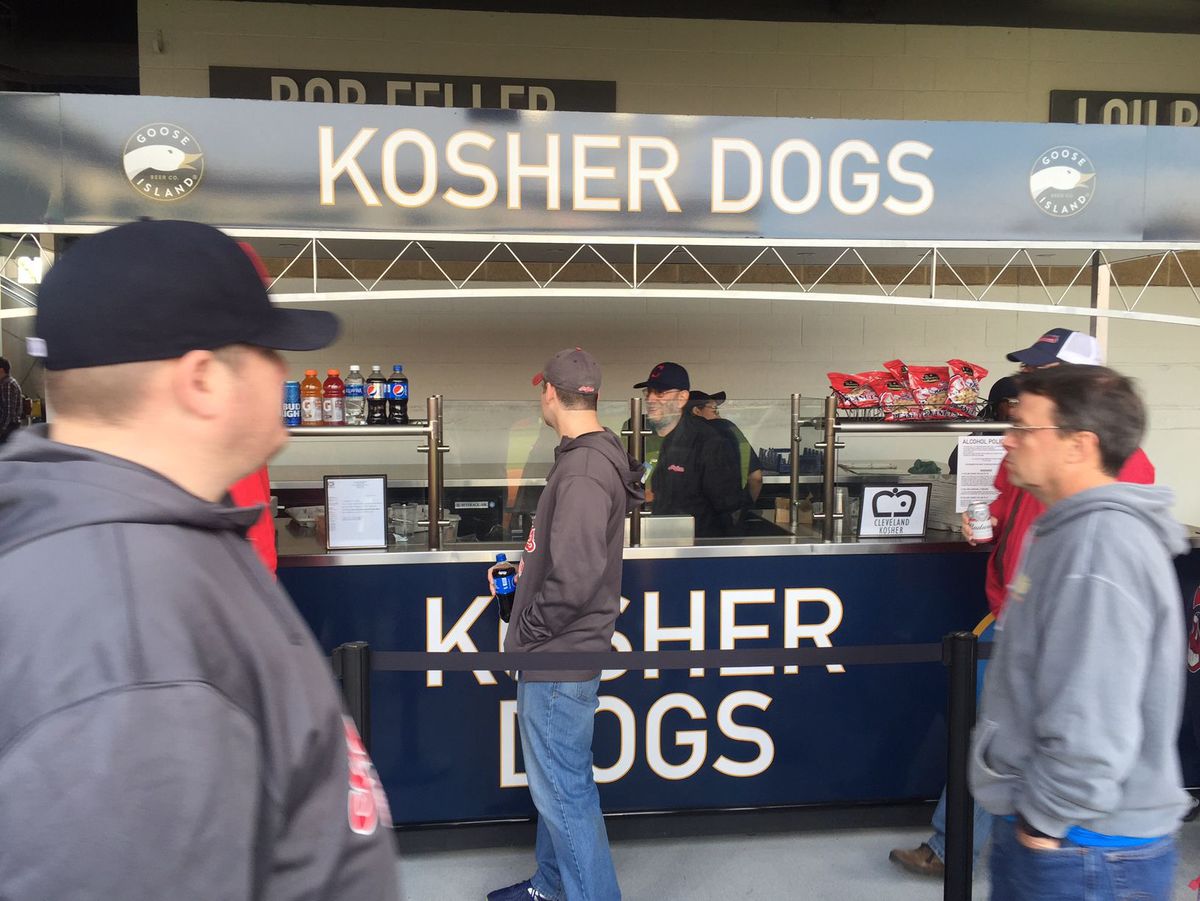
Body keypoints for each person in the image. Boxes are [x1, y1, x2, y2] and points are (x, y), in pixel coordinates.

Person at [0, 220, 399, 900]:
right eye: (270, 349)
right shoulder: (131, 643)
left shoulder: (171, 539)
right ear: (204, 379)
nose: (288, 372)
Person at [891, 330, 1155, 878]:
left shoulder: (1122, 467)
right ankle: (963, 845)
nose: (1025, 383)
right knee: (992, 734)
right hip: (1009, 613)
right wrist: (980, 529)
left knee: (1009, 732)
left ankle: (987, 844)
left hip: (1045, 624)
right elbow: (1004, 514)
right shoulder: (1027, 447)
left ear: (1088, 384)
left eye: (1043, 372)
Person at [970, 365, 1191, 901]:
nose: (1009, 440)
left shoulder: (1097, 547)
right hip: (1074, 837)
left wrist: (1042, 826)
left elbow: (1092, 719)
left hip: (1084, 848)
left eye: (1025, 428)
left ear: (1078, 445)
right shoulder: (1069, 531)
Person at [487, 347, 643, 901]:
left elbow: (574, 580)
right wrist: (525, 576)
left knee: (566, 793)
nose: (540, 398)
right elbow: (567, 561)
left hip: (557, 656)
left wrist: (525, 632)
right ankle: (552, 886)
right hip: (567, 651)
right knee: (558, 787)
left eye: (540, 390)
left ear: (551, 392)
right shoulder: (593, 456)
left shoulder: (580, 469)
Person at [633, 362, 745, 538]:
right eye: (648, 392)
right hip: (665, 542)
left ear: (682, 398)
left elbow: (727, 507)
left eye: (660, 393)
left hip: (698, 549)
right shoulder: (668, 439)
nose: (650, 399)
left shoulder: (710, 441)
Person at [688, 389, 764, 503]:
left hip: (688, 510)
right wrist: (745, 506)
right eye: (715, 411)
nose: (719, 416)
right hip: (726, 509)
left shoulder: (678, 435)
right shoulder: (727, 428)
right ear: (697, 411)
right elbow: (756, 477)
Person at [0, 356, 23, 444]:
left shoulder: (7, 384)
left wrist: (1, 430)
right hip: (8, 429)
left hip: (8, 430)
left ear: (1, 370)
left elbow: (8, 411)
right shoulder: (7, 383)